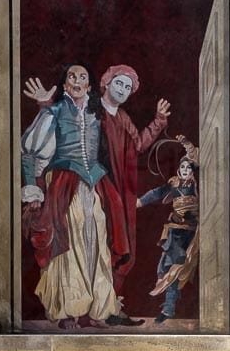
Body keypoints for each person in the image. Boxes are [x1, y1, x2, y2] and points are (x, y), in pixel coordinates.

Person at [20, 63, 131, 329]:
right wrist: (33, 190)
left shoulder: (96, 114)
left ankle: (98, 310)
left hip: (94, 185)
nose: (77, 81)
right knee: (69, 243)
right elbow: (29, 153)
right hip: (65, 184)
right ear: (65, 84)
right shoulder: (54, 112)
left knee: (98, 240)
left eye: (83, 77)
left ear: (90, 86)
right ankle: (68, 311)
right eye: (72, 77)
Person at [95, 65, 170, 305]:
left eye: (128, 87)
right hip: (94, 186)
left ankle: (109, 306)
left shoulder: (123, 118)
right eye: (119, 83)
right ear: (106, 83)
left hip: (120, 189)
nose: (123, 89)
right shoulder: (91, 109)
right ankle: (92, 309)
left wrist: (159, 120)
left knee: (121, 248)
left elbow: (139, 145)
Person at [137, 136, 199, 324]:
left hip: (190, 234)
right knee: (165, 268)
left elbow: (193, 156)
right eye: (182, 167)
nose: (185, 170)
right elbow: (156, 193)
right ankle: (170, 305)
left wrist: (186, 143)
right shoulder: (174, 183)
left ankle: (169, 307)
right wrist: (139, 202)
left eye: (188, 167)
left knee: (175, 269)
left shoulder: (197, 184)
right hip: (174, 233)